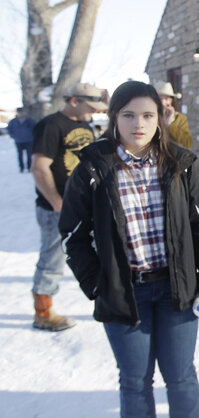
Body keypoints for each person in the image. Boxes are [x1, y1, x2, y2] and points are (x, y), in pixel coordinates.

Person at [59, 80, 199, 418]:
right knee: (135, 381)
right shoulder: (92, 167)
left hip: (176, 290)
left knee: (181, 377)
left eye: (148, 115)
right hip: (124, 292)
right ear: (114, 117)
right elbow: (72, 236)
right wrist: (96, 284)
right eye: (129, 115)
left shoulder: (180, 164)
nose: (139, 125)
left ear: (160, 118)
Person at [30, 82, 108, 331]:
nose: (95, 112)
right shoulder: (51, 125)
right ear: (74, 101)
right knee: (52, 259)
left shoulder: (85, 124)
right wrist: (57, 203)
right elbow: (39, 167)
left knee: (95, 252)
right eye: (91, 106)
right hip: (57, 208)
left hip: (84, 206)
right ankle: (43, 312)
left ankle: (105, 298)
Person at [155, 82, 193, 149]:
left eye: (166, 99)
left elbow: (188, 143)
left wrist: (169, 124)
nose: (163, 103)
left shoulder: (180, 118)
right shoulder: (149, 118)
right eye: (159, 99)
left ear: (171, 101)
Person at [7, 107, 36, 172]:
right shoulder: (13, 122)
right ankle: (21, 168)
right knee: (20, 155)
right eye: (19, 112)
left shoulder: (30, 121)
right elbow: (9, 130)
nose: (21, 114)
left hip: (29, 140)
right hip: (19, 141)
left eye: (22, 112)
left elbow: (35, 129)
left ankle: (29, 167)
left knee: (29, 155)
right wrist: (14, 136)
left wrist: (32, 136)